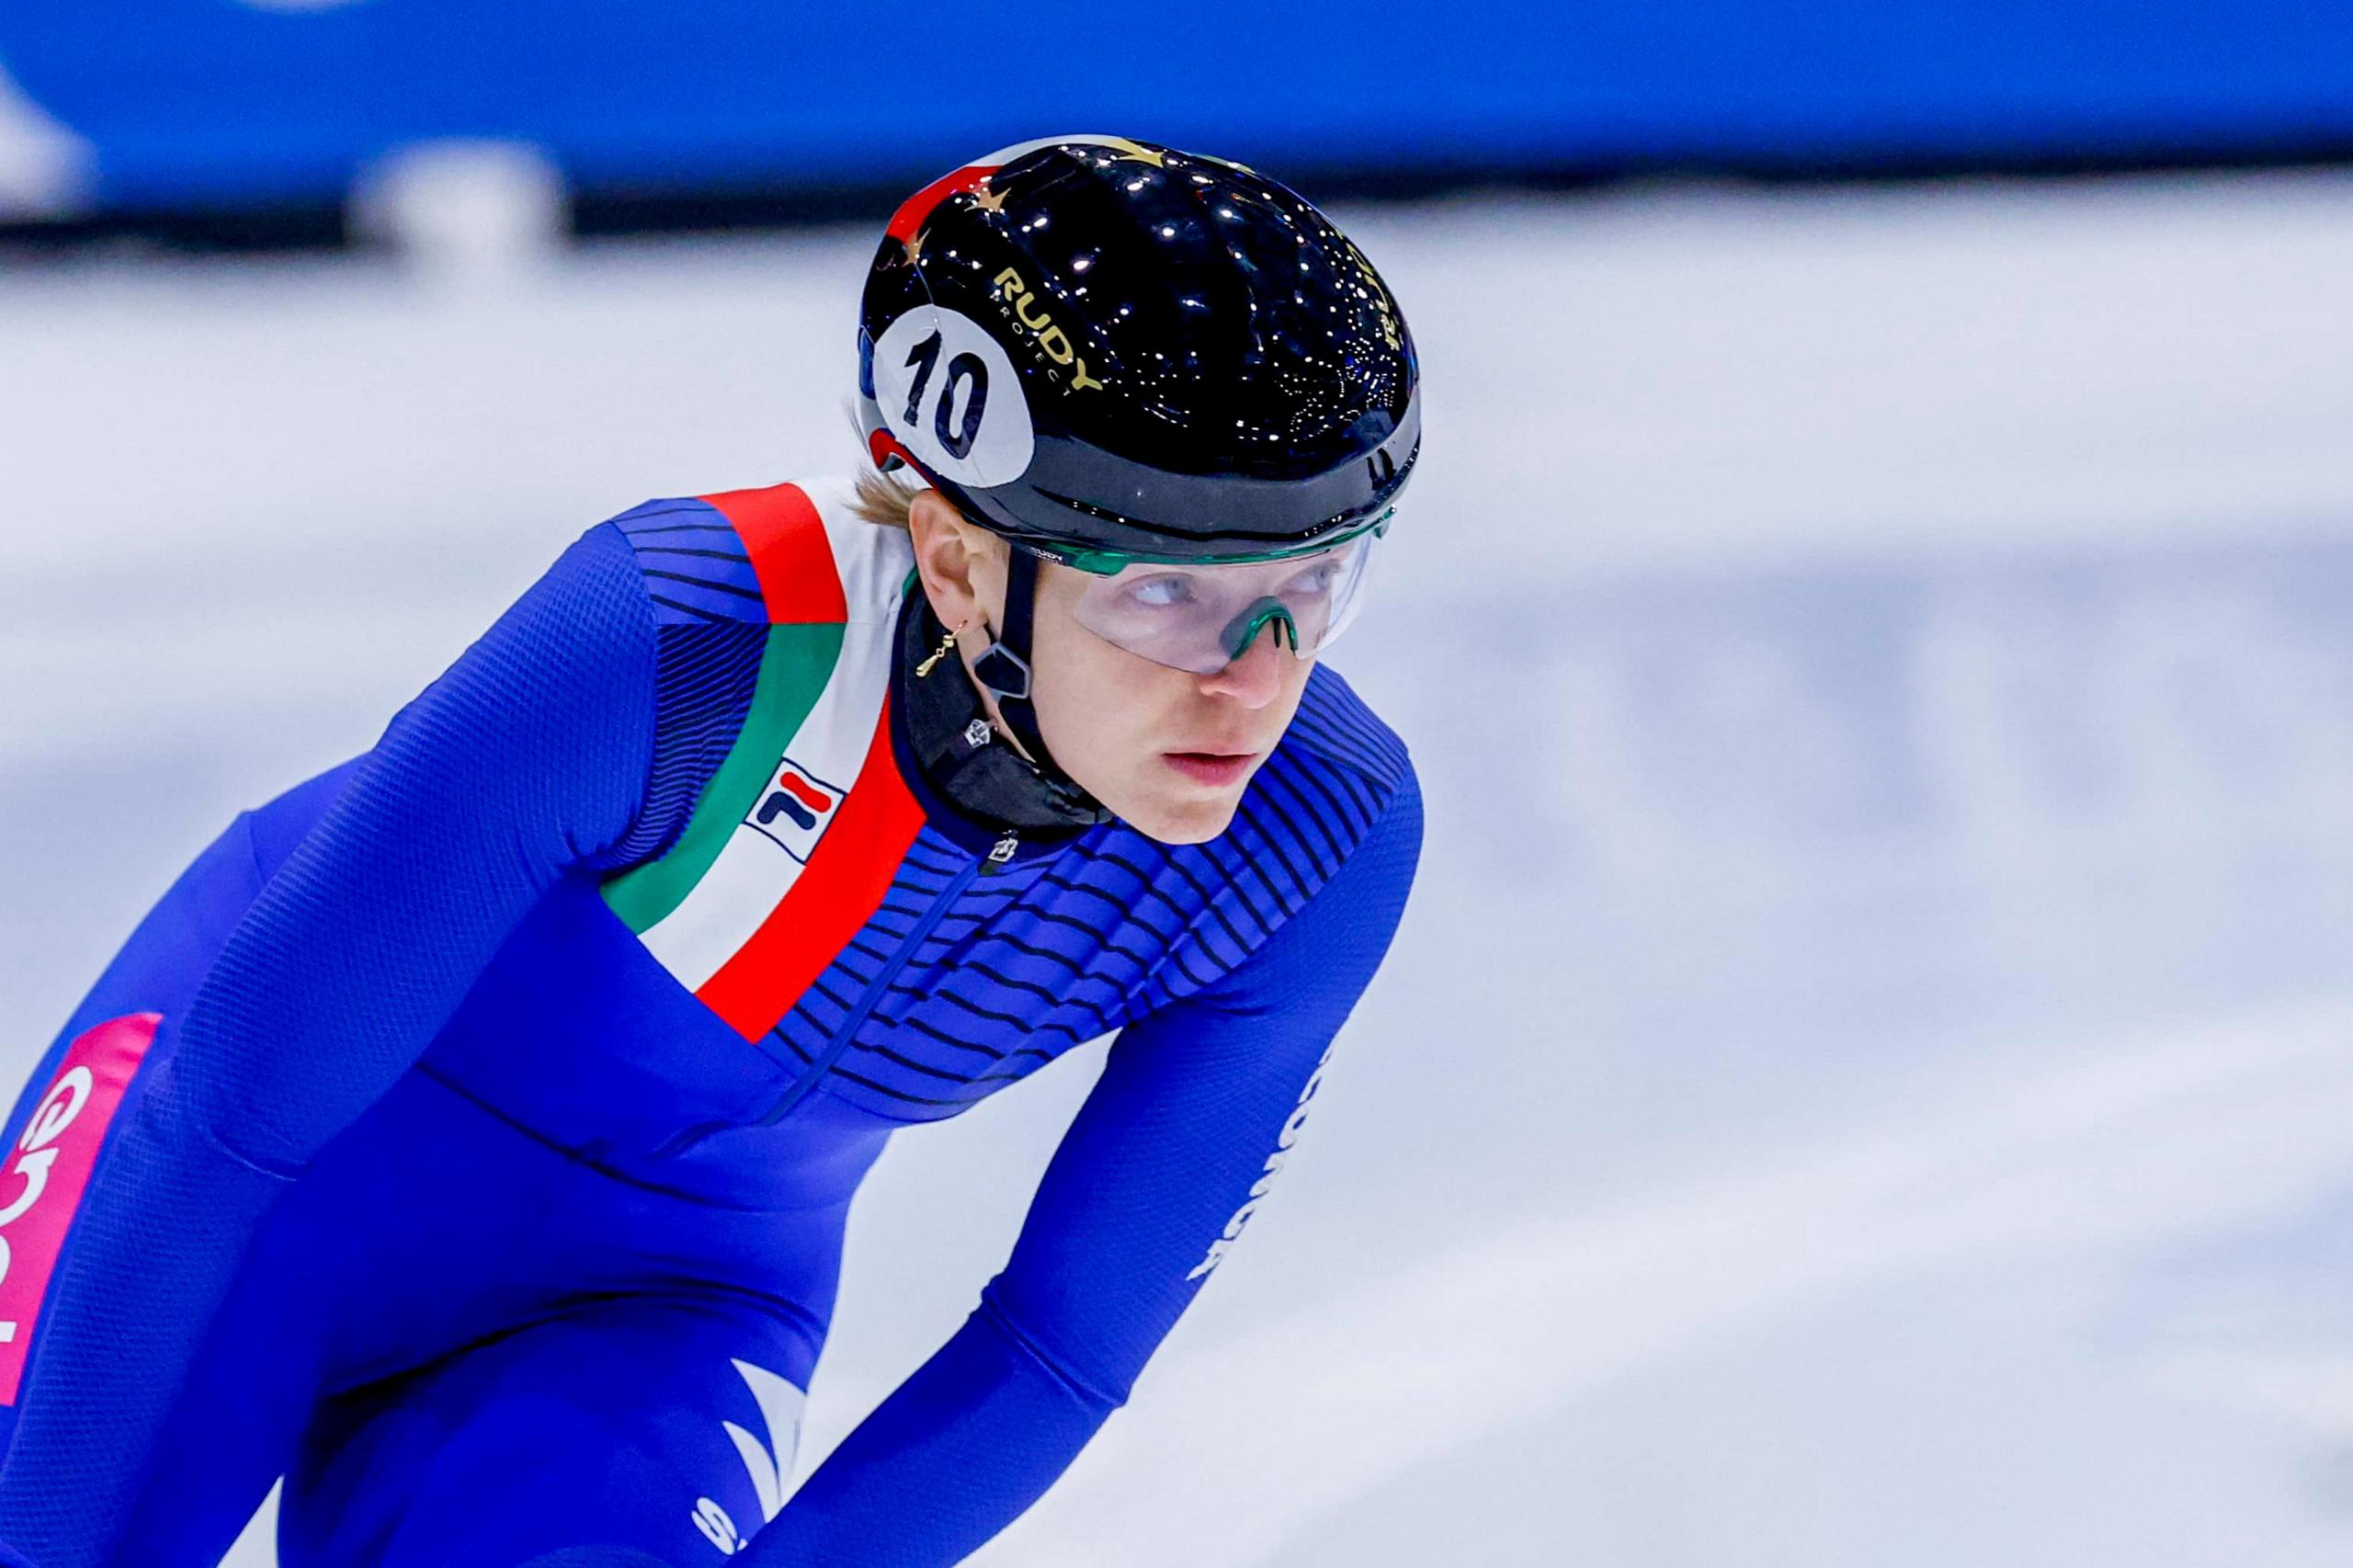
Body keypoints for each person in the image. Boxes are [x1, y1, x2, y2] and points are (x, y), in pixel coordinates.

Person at [0, 132, 1423, 1568]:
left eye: (1315, 581)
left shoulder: (1309, 842)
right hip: (237, 1174)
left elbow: (1059, 1349)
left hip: (658, 1306)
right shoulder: (687, 639)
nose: (1255, 679)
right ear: (956, 559)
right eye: (1168, 593)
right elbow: (222, 1123)